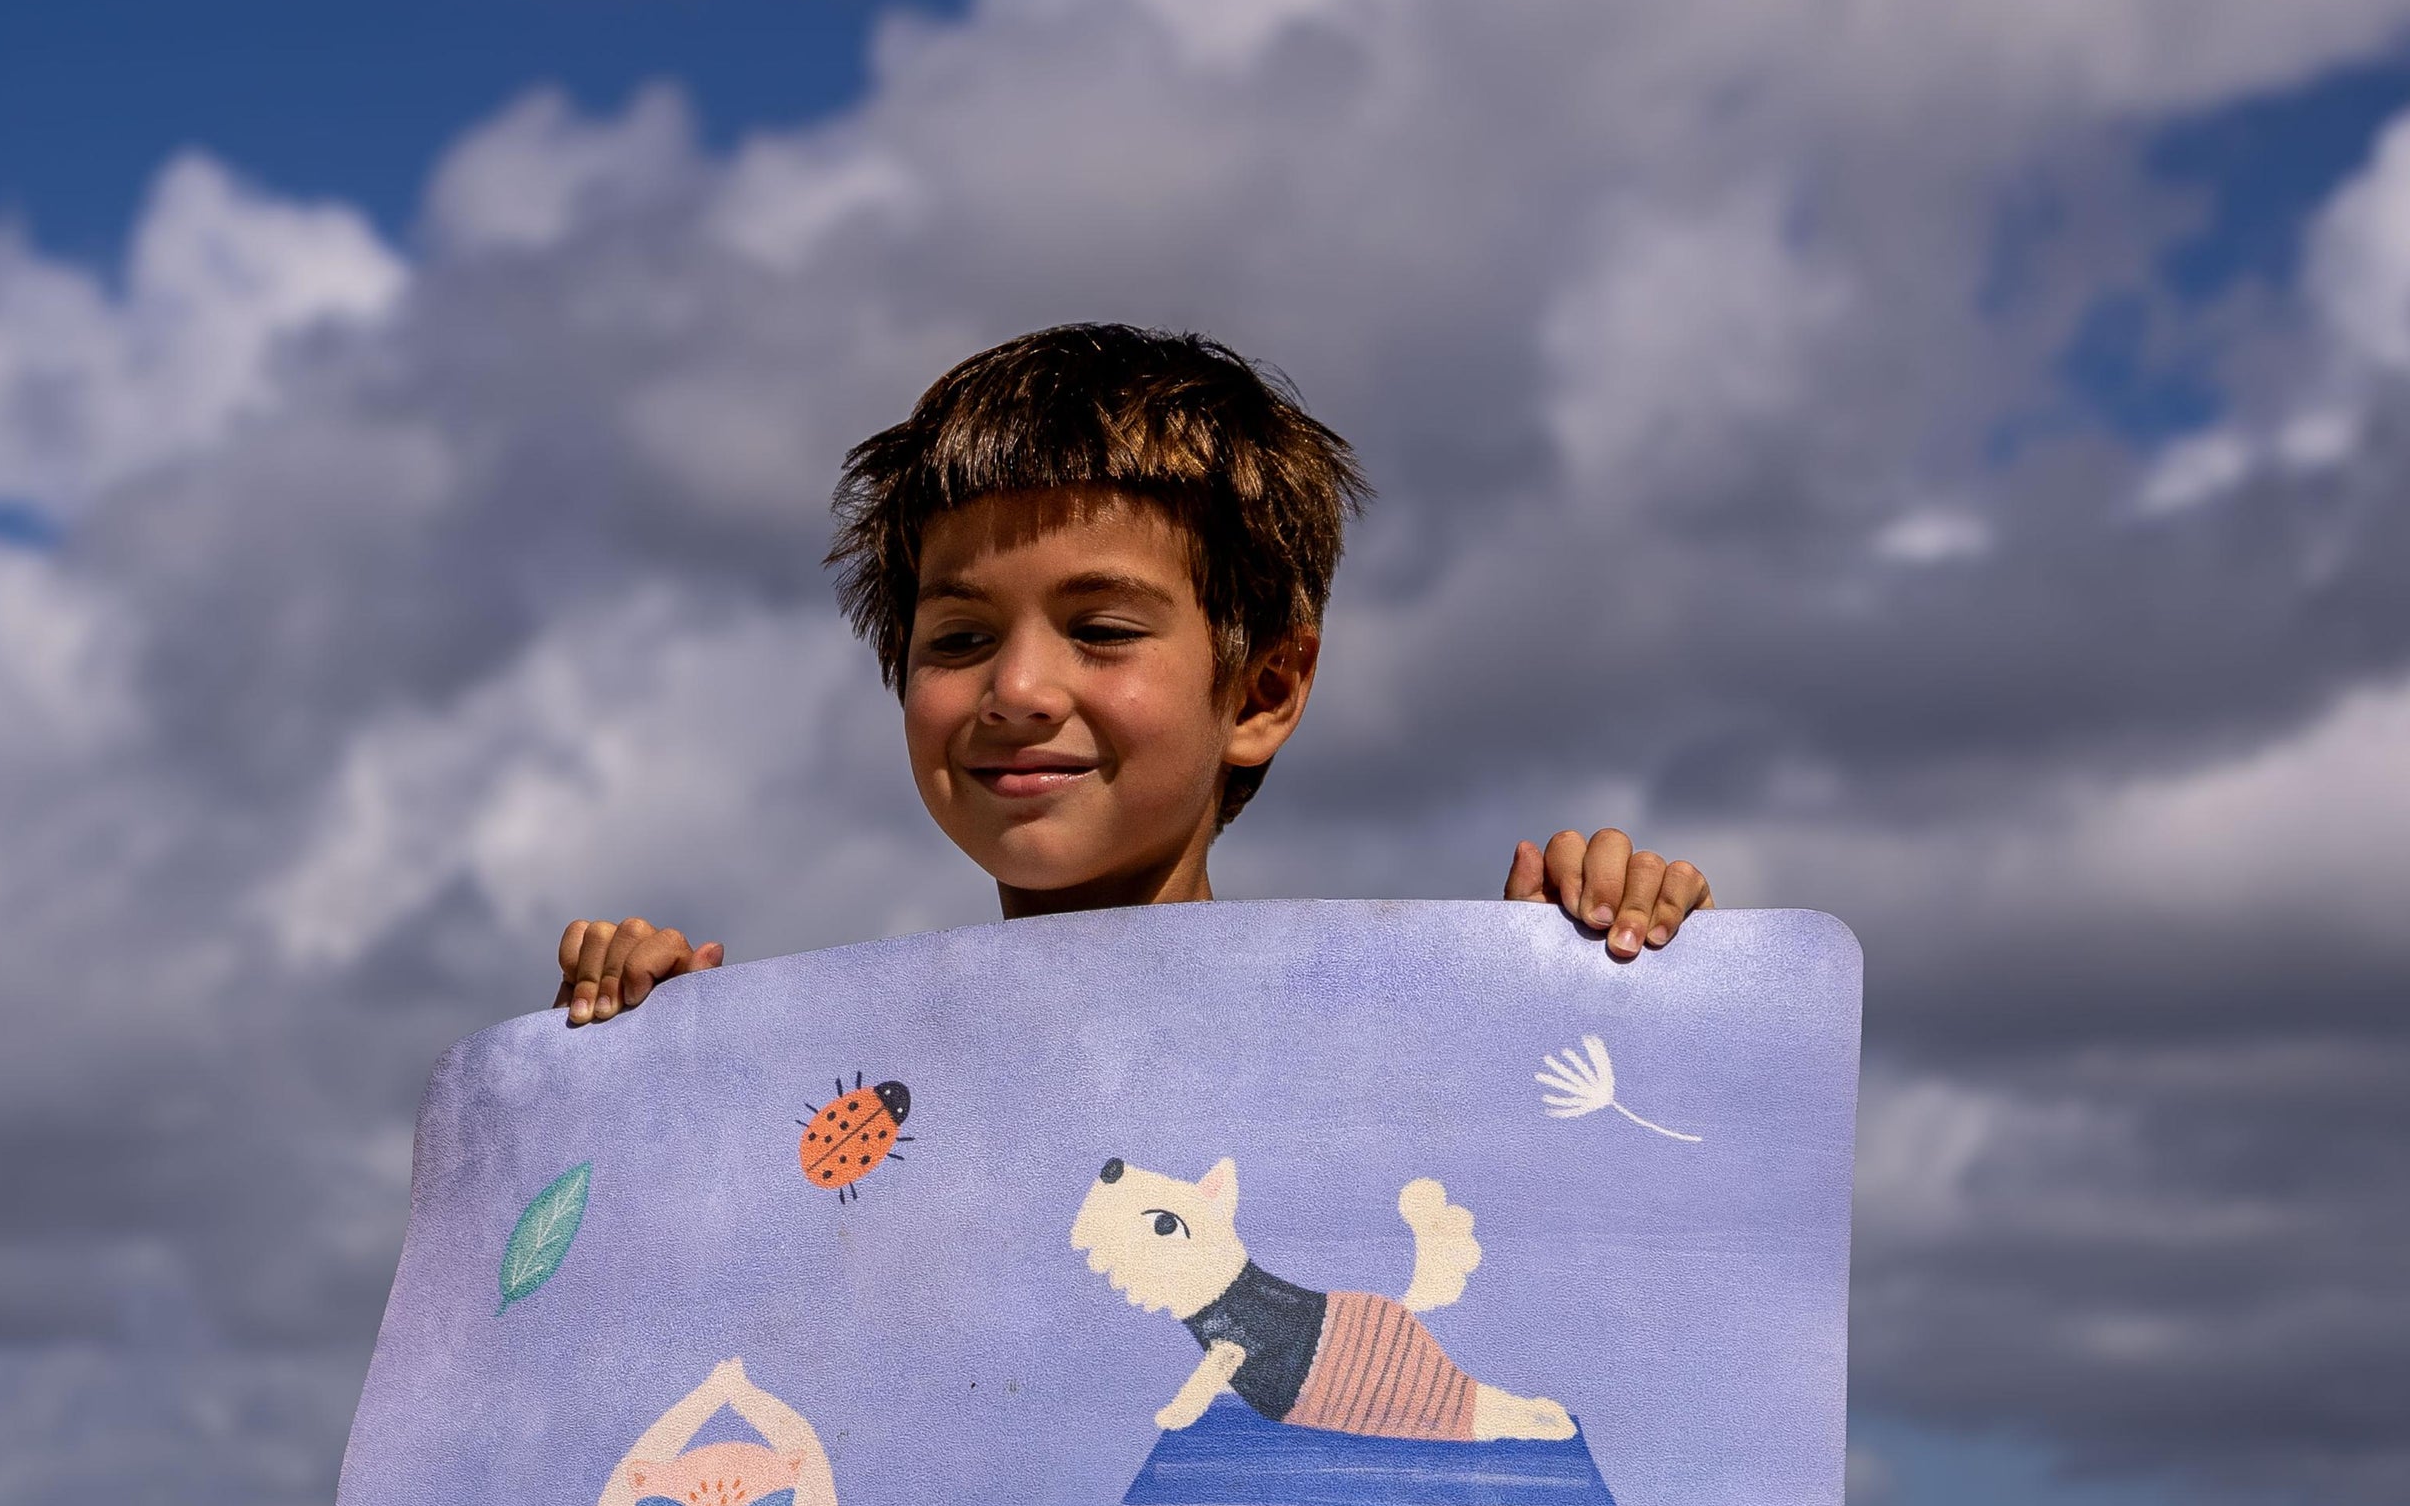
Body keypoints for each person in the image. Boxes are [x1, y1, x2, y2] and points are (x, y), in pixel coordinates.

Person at [553, 320, 1708, 1026]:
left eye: (1100, 629)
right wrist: (637, 1065)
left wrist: (1586, 984)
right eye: (957, 639)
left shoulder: (1401, 1043)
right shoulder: (826, 1078)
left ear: (1262, 692)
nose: (1017, 689)